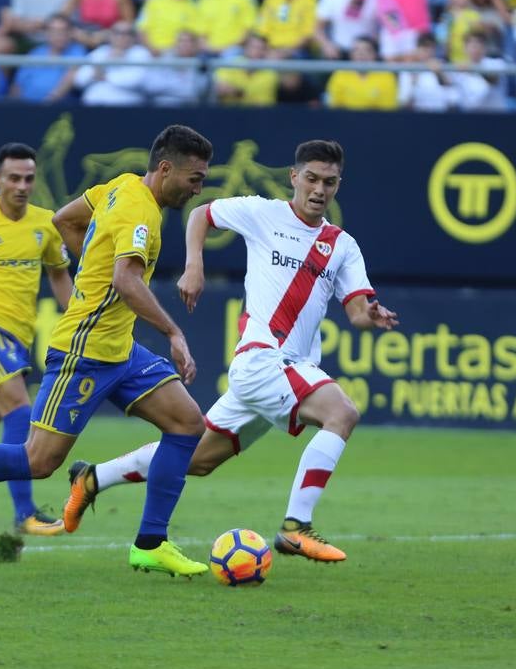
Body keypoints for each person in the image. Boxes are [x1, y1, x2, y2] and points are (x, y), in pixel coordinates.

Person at [0, 126, 217, 579]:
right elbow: (126, 281)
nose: (199, 187)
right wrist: (174, 332)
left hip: (120, 349)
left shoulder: (118, 185)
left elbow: (64, 220)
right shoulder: (140, 212)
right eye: (195, 178)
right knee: (38, 461)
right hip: (84, 352)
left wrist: (90, 264)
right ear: (166, 168)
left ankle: (151, 542)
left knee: (188, 424)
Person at [64, 139, 398, 563]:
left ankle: (92, 477)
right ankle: (296, 526)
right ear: (293, 178)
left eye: (329, 182)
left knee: (197, 459)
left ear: (337, 185)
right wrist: (194, 265)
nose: (319, 190)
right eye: (311, 179)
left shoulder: (342, 245)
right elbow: (202, 214)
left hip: (286, 368)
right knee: (342, 413)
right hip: (263, 358)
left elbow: (356, 313)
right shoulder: (264, 213)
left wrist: (372, 313)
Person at [75, 21, 152, 105]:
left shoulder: (141, 53)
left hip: (127, 105)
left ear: (133, 37)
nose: (121, 37)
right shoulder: (101, 52)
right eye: (117, 33)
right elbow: (79, 79)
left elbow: (136, 80)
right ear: (110, 36)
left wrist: (104, 76)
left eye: (126, 33)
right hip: (94, 104)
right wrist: (106, 62)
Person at [13, 15, 86, 102]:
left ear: (70, 33)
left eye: (63, 31)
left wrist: (49, 102)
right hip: (25, 106)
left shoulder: (77, 50)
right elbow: (17, 85)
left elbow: (71, 76)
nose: (59, 35)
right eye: (54, 31)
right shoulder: (35, 52)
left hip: (55, 109)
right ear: (47, 33)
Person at [324, 36, 397, 109]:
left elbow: (387, 109)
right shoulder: (340, 74)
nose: (361, 54)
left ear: (375, 54)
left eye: (367, 50)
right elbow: (334, 105)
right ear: (351, 55)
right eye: (356, 50)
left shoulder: (386, 75)